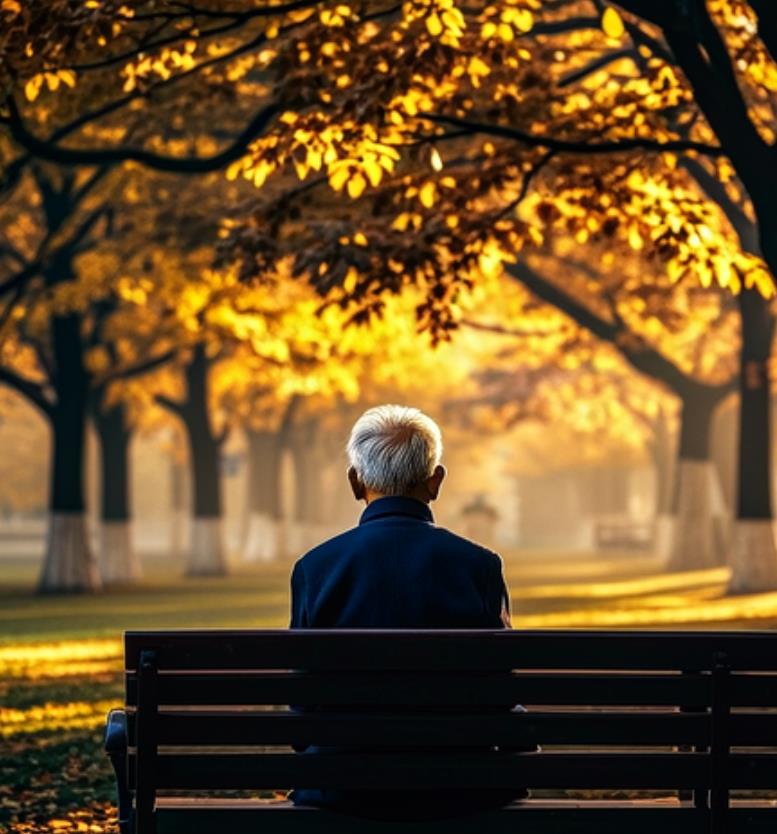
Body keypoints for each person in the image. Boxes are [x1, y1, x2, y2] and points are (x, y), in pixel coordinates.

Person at [288, 404, 525, 819]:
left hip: (342, 788)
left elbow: (301, 706)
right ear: (435, 481)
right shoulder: (479, 566)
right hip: (460, 788)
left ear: (355, 481)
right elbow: (501, 694)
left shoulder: (316, 568)